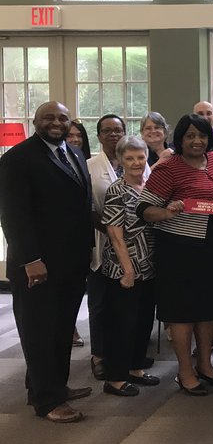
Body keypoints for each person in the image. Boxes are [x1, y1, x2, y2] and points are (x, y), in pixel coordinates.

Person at [0, 101, 94, 422]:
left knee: (62, 328)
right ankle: (48, 401)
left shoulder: (75, 153)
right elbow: (13, 215)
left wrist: (88, 247)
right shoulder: (17, 159)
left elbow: (79, 206)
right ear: (36, 121)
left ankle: (52, 386)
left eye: (62, 118)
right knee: (39, 330)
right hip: (36, 264)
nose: (56, 122)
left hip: (71, 262)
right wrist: (30, 259)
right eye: (49, 117)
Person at [137, 113, 213, 396]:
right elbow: (144, 209)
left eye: (202, 135)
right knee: (182, 312)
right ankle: (185, 372)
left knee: (209, 309)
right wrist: (167, 212)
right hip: (180, 249)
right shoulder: (168, 168)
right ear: (180, 139)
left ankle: (205, 365)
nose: (197, 141)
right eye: (190, 136)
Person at [99, 136, 160, 397]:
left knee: (143, 320)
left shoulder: (148, 186)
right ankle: (114, 378)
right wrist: (128, 270)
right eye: (130, 158)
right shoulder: (117, 190)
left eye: (140, 157)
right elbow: (115, 235)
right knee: (122, 324)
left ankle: (135, 368)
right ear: (120, 160)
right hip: (124, 268)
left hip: (149, 266)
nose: (136, 162)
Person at [86, 114, 129, 381]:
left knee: (125, 303)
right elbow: (88, 207)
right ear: (99, 135)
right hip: (102, 241)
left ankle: (125, 353)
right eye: (107, 131)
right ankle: (99, 355)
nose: (113, 135)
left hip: (132, 245)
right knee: (100, 302)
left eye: (118, 130)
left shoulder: (136, 161)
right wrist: (112, 231)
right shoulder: (89, 166)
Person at [66, 119, 91, 348]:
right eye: (70, 135)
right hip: (59, 240)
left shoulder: (83, 160)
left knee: (76, 290)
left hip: (84, 237)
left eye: (78, 135)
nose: (75, 139)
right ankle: (69, 329)